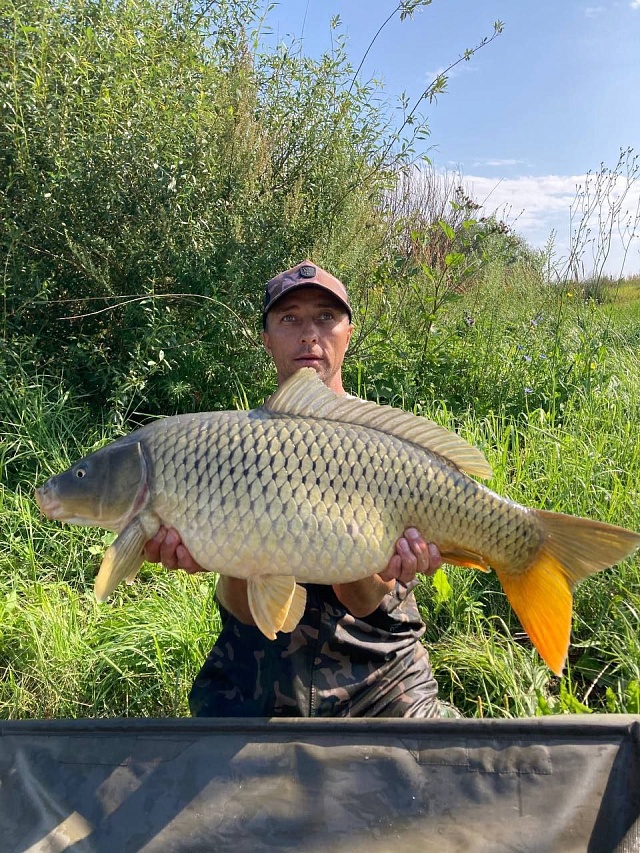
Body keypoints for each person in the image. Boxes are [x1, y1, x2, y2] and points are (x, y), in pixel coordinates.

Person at [145, 260, 447, 717]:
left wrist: (368, 553)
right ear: (266, 338)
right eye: (290, 319)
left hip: (381, 674)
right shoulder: (228, 445)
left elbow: (365, 601)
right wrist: (221, 552)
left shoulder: (389, 446)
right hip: (256, 676)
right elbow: (247, 613)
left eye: (326, 317)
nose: (309, 334)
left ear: (348, 332)